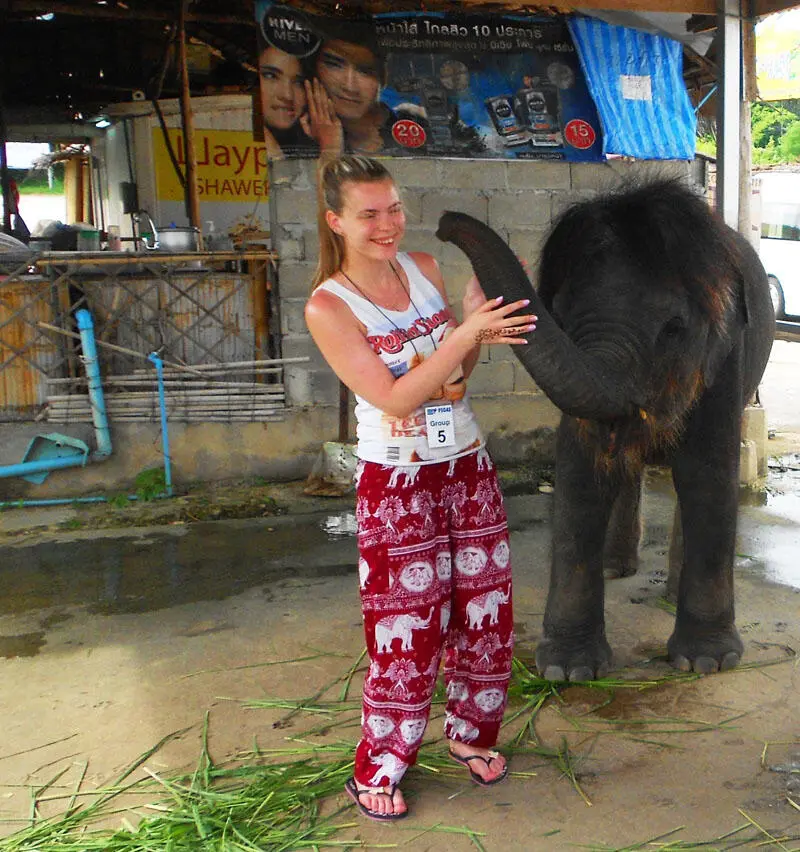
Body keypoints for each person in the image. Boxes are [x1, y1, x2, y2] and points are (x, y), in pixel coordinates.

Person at [304, 155, 537, 821]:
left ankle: (471, 734)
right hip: (398, 480)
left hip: (467, 463)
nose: (388, 225)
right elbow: (394, 394)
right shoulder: (329, 305)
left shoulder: (426, 271)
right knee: (405, 632)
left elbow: (457, 375)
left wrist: (470, 327)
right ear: (336, 221)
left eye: (395, 209)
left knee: (485, 613)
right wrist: (465, 332)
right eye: (369, 214)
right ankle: (378, 767)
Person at [258, 44, 342, 159]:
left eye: (298, 82)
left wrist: (330, 148)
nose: (287, 95)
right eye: (270, 76)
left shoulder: (310, 143)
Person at [314, 38, 395, 154]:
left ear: (383, 77)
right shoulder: (295, 132)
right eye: (335, 65)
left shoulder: (413, 126)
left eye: (365, 71)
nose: (349, 87)